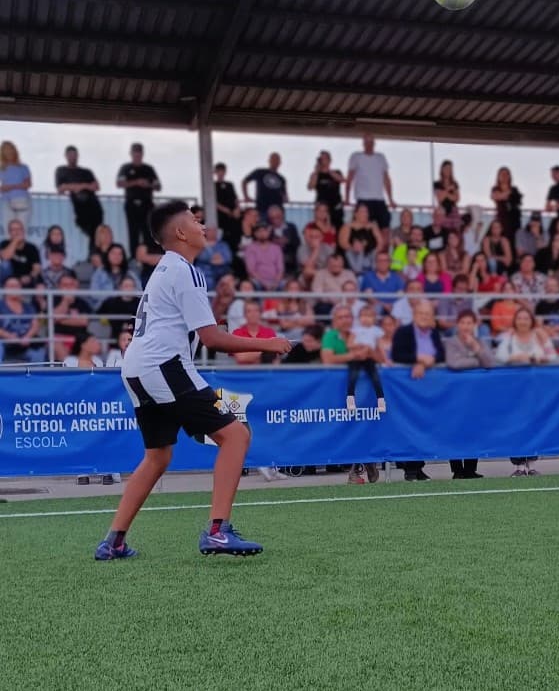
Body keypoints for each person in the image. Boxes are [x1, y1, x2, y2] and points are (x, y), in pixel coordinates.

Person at [94, 200, 292, 561]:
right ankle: (218, 532)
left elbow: (192, 327)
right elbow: (213, 339)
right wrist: (268, 342)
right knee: (236, 434)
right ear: (181, 233)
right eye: (193, 219)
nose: (201, 223)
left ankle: (113, 542)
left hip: (136, 368)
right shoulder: (185, 271)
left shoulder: (168, 269)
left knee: (157, 456)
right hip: (164, 366)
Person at [321, 305, 382, 485]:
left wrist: (370, 353)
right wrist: (354, 355)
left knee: (365, 427)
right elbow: (328, 359)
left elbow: (380, 357)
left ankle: (366, 462)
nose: (345, 320)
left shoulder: (363, 333)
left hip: (366, 391)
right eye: (341, 317)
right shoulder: (331, 336)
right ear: (334, 320)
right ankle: (356, 469)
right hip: (339, 392)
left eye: (348, 316)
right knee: (348, 429)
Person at [391, 300, 445, 481]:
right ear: (414, 315)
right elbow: (397, 354)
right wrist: (418, 359)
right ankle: (410, 468)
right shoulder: (404, 332)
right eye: (421, 314)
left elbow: (441, 354)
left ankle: (419, 466)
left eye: (428, 314)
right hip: (406, 386)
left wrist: (426, 361)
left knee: (425, 425)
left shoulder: (434, 333)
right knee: (409, 425)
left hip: (430, 385)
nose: (424, 317)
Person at [443, 309, 491, 478]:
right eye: (463, 322)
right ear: (458, 324)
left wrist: (476, 348)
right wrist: (476, 362)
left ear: (475, 325)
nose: (466, 326)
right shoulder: (451, 342)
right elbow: (453, 363)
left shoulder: (479, 341)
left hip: (475, 394)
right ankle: (457, 470)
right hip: (454, 394)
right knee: (454, 430)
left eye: (469, 323)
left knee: (473, 429)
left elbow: (489, 362)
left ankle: (470, 469)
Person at [346, 135, 396, 247]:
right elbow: (350, 178)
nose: (369, 145)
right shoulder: (356, 156)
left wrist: (391, 199)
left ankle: (383, 257)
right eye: (367, 142)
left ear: (374, 144)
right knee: (360, 230)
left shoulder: (380, 157)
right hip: (363, 199)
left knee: (385, 229)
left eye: (371, 142)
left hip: (379, 199)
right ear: (363, 144)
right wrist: (347, 198)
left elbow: (386, 179)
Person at [55, 145, 103, 249]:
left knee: (96, 232)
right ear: (66, 156)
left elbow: (96, 186)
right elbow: (61, 188)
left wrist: (77, 186)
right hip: (80, 208)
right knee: (89, 230)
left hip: (94, 206)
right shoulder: (61, 170)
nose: (73, 157)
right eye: (70, 155)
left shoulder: (86, 171)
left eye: (75, 155)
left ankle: (93, 256)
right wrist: (85, 186)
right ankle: (93, 255)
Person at [117, 143, 161, 253]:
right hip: (132, 204)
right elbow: (119, 183)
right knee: (133, 233)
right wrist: (136, 182)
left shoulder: (148, 169)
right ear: (131, 154)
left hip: (147, 204)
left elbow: (158, 186)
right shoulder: (126, 168)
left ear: (142, 154)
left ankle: (150, 256)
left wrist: (148, 185)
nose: (137, 155)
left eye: (139, 153)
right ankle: (134, 258)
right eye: (135, 153)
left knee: (148, 233)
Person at [0, 277, 45, 364]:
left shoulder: (28, 306)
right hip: (5, 341)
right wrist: (9, 336)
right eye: (11, 286)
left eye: (16, 286)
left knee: (38, 349)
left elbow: (35, 325)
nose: (14, 288)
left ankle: (37, 376)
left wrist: (28, 336)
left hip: (25, 342)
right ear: (4, 288)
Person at [308, 150, 346, 229]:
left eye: (325, 158)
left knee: (338, 227)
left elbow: (342, 180)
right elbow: (310, 187)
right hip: (322, 208)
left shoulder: (336, 172)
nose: (323, 161)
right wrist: (316, 171)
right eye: (321, 159)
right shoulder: (316, 174)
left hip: (335, 207)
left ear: (329, 160)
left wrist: (328, 170)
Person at [242, 152, 287, 217]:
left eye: (277, 160)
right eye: (273, 159)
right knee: (261, 226)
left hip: (277, 212)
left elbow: (284, 195)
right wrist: (246, 196)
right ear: (269, 161)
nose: (275, 161)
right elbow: (245, 181)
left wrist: (285, 198)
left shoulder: (282, 178)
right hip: (262, 209)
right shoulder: (260, 172)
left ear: (280, 163)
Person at [0, 140, 32, 231]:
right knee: (8, 230)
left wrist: (10, 187)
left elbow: (28, 184)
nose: (8, 152)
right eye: (5, 150)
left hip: (22, 200)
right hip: (7, 201)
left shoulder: (23, 167)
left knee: (21, 230)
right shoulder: (2, 169)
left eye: (10, 149)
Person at [0, 218, 40, 286]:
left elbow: (37, 268)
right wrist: (15, 241)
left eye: (19, 229)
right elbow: (5, 257)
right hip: (8, 281)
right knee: (5, 264)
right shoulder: (4, 243)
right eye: (14, 230)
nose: (17, 232)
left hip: (25, 279)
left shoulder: (32, 247)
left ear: (23, 231)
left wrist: (30, 277)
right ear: (9, 232)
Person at [213, 162, 242, 253]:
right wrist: (225, 210)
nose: (221, 173)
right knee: (221, 238)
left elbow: (236, 199)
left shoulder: (230, 185)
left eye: (222, 171)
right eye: (219, 171)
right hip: (220, 217)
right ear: (215, 172)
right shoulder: (213, 185)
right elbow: (213, 201)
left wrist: (237, 209)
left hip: (233, 216)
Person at [490, 166, 522, 245]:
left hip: (514, 219)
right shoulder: (495, 188)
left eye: (507, 174)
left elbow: (518, 201)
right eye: (502, 174)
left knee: (514, 241)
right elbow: (496, 196)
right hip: (502, 219)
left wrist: (505, 195)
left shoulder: (515, 189)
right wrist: (507, 194)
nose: (505, 176)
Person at [434, 160, 462, 230]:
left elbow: (457, 198)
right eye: (446, 168)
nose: (448, 170)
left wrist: (445, 194)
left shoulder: (455, 183)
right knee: (444, 231)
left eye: (450, 168)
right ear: (442, 170)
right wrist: (448, 189)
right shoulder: (437, 184)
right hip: (442, 211)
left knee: (455, 231)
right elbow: (440, 198)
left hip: (453, 211)